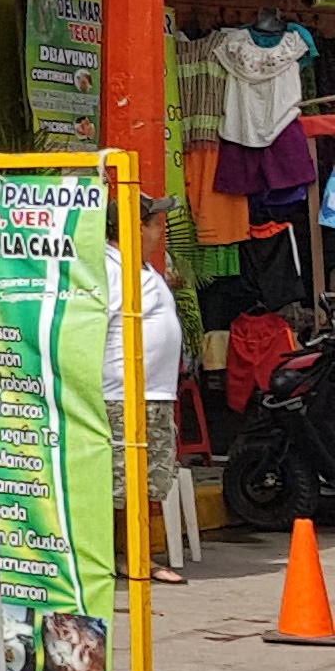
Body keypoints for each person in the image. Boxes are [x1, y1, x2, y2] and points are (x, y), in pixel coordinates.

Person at [128, 196, 189, 585]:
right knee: (127, 481)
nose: (160, 230)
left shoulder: (146, 268)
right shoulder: (112, 270)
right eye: (154, 223)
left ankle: (137, 554)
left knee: (149, 478)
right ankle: (133, 557)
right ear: (135, 228)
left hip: (155, 392)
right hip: (128, 392)